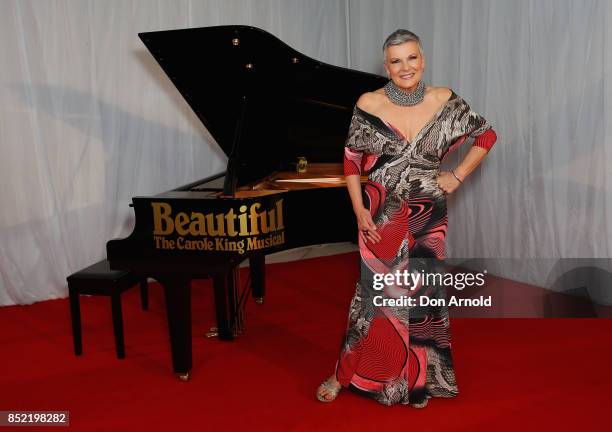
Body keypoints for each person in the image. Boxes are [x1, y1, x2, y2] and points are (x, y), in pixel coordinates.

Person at [316, 29, 497, 407]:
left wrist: (457, 176)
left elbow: (486, 135)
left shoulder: (443, 99)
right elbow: (351, 161)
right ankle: (343, 372)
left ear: (423, 59)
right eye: (396, 61)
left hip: (429, 210)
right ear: (386, 66)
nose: (405, 67)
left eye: (411, 58)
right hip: (380, 210)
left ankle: (417, 380)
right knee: (371, 297)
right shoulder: (369, 102)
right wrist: (358, 208)